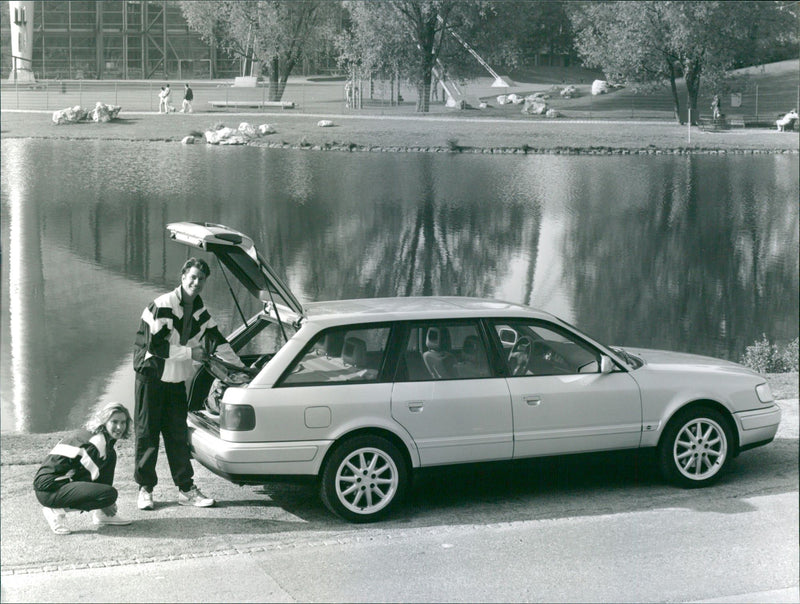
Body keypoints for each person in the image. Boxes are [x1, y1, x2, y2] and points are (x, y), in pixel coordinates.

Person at [133, 257, 242, 511]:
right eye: (192, 277)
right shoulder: (163, 305)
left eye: (201, 279)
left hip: (175, 380)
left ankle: (185, 488)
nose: (196, 282)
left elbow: (217, 341)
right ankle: (145, 489)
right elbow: (156, 347)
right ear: (183, 277)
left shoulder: (199, 310)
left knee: (177, 435)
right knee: (147, 434)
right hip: (151, 376)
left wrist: (240, 370)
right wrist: (191, 353)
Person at [33, 401, 133, 535]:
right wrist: (106, 502)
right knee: (109, 494)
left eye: (123, 422)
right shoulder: (95, 444)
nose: (119, 427)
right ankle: (55, 510)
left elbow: (98, 479)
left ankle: (102, 515)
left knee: (110, 457)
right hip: (49, 490)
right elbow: (87, 479)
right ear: (104, 422)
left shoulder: (101, 438)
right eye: (114, 422)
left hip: (58, 483)